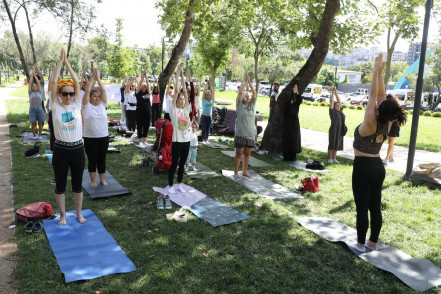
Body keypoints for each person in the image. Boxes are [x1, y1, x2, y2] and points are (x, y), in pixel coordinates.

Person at [351, 53, 407, 252]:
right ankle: (372, 243)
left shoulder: (370, 122)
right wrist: (380, 74)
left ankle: (359, 244)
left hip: (364, 167)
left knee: (361, 208)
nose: (376, 103)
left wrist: (376, 71)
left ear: (380, 110)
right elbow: (381, 98)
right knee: (375, 207)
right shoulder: (386, 121)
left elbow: (375, 96)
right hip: (377, 167)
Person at [49, 48, 87, 225]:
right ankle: (63, 215)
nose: (69, 96)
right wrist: (60, 62)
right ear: (60, 94)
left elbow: (78, 84)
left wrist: (68, 63)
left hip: (78, 148)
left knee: (78, 184)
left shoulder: (77, 103)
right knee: (61, 184)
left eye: (71, 93)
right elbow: (53, 81)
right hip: (61, 149)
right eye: (65, 93)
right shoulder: (55, 105)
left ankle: (78, 214)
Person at [82, 68, 109, 187]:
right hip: (90, 138)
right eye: (94, 96)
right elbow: (87, 91)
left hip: (103, 137)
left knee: (101, 159)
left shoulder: (103, 105)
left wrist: (98, 78)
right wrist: (92, 78)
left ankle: (102, 180)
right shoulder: (86, 106)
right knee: (92, 160)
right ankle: (93, 181)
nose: (97, 98)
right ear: (90, 98)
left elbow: (103, 90)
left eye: (98, 96)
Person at [167, 65, 191, 194]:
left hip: (186, 140)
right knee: (174, 163)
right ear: (176, 101)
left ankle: (179, 183)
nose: (182, 100)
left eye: (183, 99)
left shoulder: (186, 110)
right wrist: (177, 75)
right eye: (180, 99)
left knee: (182, 163)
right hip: (177, 141)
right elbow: (176, 92)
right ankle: (170, 185)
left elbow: (185, 93)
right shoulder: (174, 110)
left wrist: (183, 77)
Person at [234, 72, 257, 177]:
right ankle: (236, 172)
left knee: (247, 154)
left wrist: (249, 82)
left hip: (250, 134)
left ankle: (244, 171)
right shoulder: (239, 105)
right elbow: (240, 93)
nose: (248, 97)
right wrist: (244, 81)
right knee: (239, 154)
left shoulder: (252, 105)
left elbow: (254, 93)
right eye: (246, 96)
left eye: (248, 96)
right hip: (240, 133)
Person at [282, 84, 302, 161]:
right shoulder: (286, 105)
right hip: (287, 124)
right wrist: (292, 93)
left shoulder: (295, 106)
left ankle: (293, 156)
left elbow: (299, 100)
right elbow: (289, 101)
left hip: (294, 124)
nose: (292, 100)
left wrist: (296, 92)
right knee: (287, 140)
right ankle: (286, 156)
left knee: (294, 140)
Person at [328, 87, 345, 163]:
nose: (338, 106)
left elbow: (339, 101)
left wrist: (336, 93)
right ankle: (330, 158)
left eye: (339, 106)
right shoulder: (332, 112)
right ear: (334, 107)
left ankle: (334, 158)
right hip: (333, 129)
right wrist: (332, 93)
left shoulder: (340, 111)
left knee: (337, 143)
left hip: (340, 129)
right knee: (332, 143)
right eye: (336, 106)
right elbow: (332, 101)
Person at [28, 65, 45, 139]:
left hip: (40, 109)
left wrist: (35, 77)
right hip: (32, 109)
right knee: (33, 123)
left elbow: (38, 83)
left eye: (35, 86)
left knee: (40, 123)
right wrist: (33, 73)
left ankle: (40, 135)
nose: (34, 87)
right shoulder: (30, 92)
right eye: (33, 86)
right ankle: (34, 136)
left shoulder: (39, 92)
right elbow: (30, 82)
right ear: (31, 87)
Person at [135, 70, 152, 145]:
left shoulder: (147, 92)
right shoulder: (138, 93)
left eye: (145, 86)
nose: (144, 87)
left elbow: (148, 84)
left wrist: (146, 76)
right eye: (143, 86)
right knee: (139, 125)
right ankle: (140, 141)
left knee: (146, 125)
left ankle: (144, 140)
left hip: (147, 111)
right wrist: (142, 77)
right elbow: (138, 86)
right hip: (139, 111)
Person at [384, 95, 400, 165]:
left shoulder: (397, 106)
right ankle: (391, 158)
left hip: (394, 126)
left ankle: (387, 158)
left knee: (390, 143)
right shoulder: (388, 105)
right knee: (390, 143)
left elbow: (399, 117)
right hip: (388, 125)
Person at [200, 80, 214, 145]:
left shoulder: (211, 100)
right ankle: (203, 139)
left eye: (209, 94)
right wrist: (206, 85)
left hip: (209, 116)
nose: (208, 95)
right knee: (204, 128)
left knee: (208, 129)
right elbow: (203, 92)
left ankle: (206, 139)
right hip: (204, 116)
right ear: (205, 95)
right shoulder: (203, 100)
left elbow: (212, 92)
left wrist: (210, 85)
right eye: (207, 94)